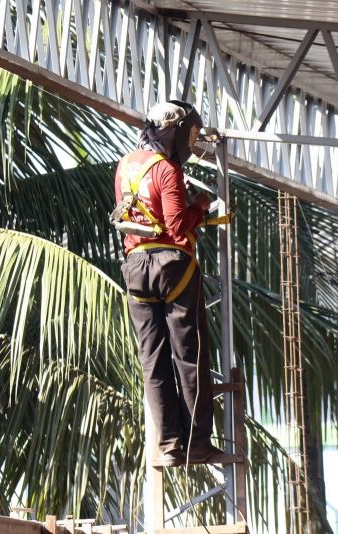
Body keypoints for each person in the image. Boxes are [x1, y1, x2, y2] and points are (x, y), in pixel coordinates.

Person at [113, 100, 219, 466]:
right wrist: (201, 206)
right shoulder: (166, 170)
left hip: (135, 267)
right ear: (174, 133)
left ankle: (170, 444)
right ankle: (198, 443)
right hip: (170, 267)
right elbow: (176, 226)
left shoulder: (125, 165)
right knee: (189, 356)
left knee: (153, 360)